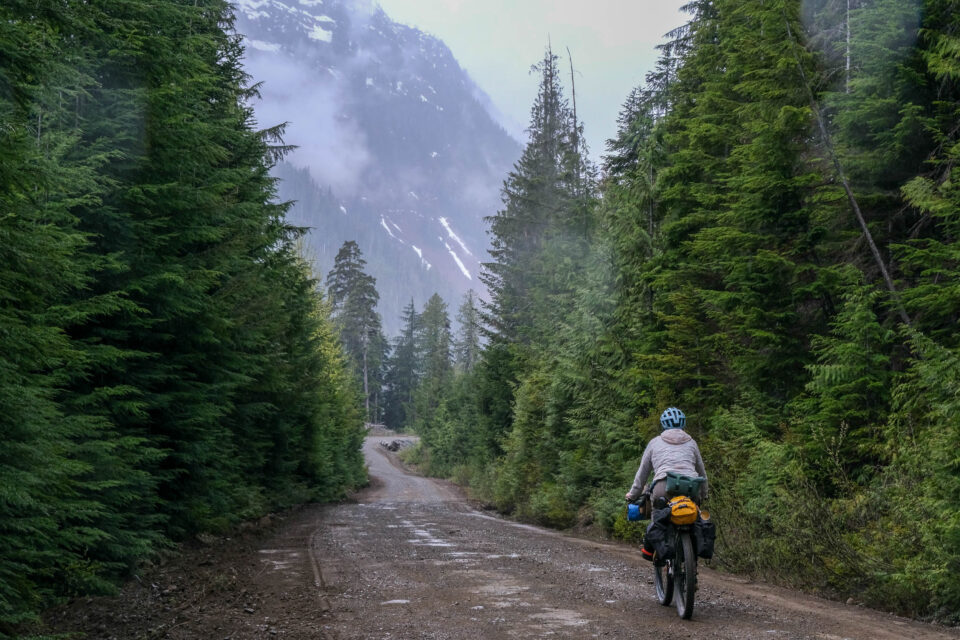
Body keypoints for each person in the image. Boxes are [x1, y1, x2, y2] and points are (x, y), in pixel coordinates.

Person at [625, 407, 707, 506]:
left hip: (663, 486)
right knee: (695, 517)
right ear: (683, 424)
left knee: (658, 518)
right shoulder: (692, 443)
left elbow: (643, 472)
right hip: (691, 486)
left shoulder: (654, 443)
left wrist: (633, 495)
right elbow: (701, 472)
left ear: (663, 424)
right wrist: (704, 494)